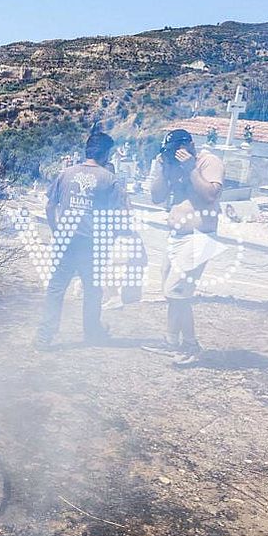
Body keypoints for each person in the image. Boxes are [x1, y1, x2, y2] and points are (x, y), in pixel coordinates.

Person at [36, 130, 125, 348]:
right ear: (105, 154)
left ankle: (44, 337)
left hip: (66, 241)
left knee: (56, 288)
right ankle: (92, 333)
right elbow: (118, 216)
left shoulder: (66, 173)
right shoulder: (110, 179)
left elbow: (50, 206)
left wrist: (57, 230)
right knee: (92, 290)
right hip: (92, 245)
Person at [146, 129, 224, 366]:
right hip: (177, 236)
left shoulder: (207, 161)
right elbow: (157, 197)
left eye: (177, 150)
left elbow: (211, 194)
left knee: (177, 292)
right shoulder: (170, 165)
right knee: (171, 292)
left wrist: (191, 168)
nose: (174, 155)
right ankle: (171, 340)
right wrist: (161, 169)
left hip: (199, 236)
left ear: (190, 144)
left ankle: (191, 345)